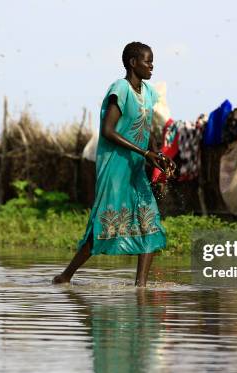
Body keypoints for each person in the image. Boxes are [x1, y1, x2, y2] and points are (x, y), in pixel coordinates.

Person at [52, 42, 175, 287]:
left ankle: (141, 286)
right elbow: (108, 131)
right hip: (115, 168)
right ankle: (66, 276)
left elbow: (144, 129)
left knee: (149, 221)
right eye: (147, 61)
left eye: (152, 62)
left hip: (135, 167)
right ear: (132, 62)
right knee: (104, 222)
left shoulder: (149, 92)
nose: (152, 66)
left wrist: (157, 155)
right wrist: (144, 152)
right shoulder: (120, 89)